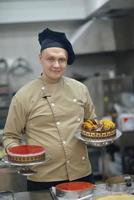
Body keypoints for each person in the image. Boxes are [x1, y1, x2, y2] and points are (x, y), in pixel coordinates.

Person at [3, 28, 96, 191]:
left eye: (62, 60)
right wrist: (21, 158)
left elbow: (92, 124)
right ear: (40, 58)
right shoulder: (24, 96)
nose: (56, 65)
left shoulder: (80, 89)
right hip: (43, 179)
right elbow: (10, 136)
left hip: (82, 174)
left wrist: (96, 136)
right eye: (50, 59)